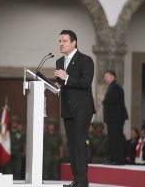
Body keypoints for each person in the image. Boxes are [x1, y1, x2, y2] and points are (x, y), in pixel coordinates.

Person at [54, 30, 95, 187]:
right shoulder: (59, 61)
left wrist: (67, 78)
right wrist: (55, 86)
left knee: (79, 143)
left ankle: (83, 182)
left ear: (74, 42)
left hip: (82, 109)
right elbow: (62, 84)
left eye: (64, 41)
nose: (61, 44)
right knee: (71, 145)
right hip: (67, 109)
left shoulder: (85, 60)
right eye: (59, 41)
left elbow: (85, 83)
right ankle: (77, 179)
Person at [98, 70, 128, 165]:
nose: (104, 78)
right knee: (113, 138)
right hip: (114, 118)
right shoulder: (113, 87)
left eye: (106, 76)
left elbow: (113, 100)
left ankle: (118, 160)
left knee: (116, 139)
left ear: (112, 77)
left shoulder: (115, 87)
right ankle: (114, 159)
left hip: (116, 118)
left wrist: (104, 99)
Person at [3, 115, 24, 179]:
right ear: (11, 123)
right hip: (8, 156)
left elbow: (23, 144)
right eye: (13, 122)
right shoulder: (7, 133)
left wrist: (23, 154)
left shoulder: (20, 133)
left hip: (18, 156)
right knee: (8, 173)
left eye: (16, 122)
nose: (14, 124)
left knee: (17, 172)